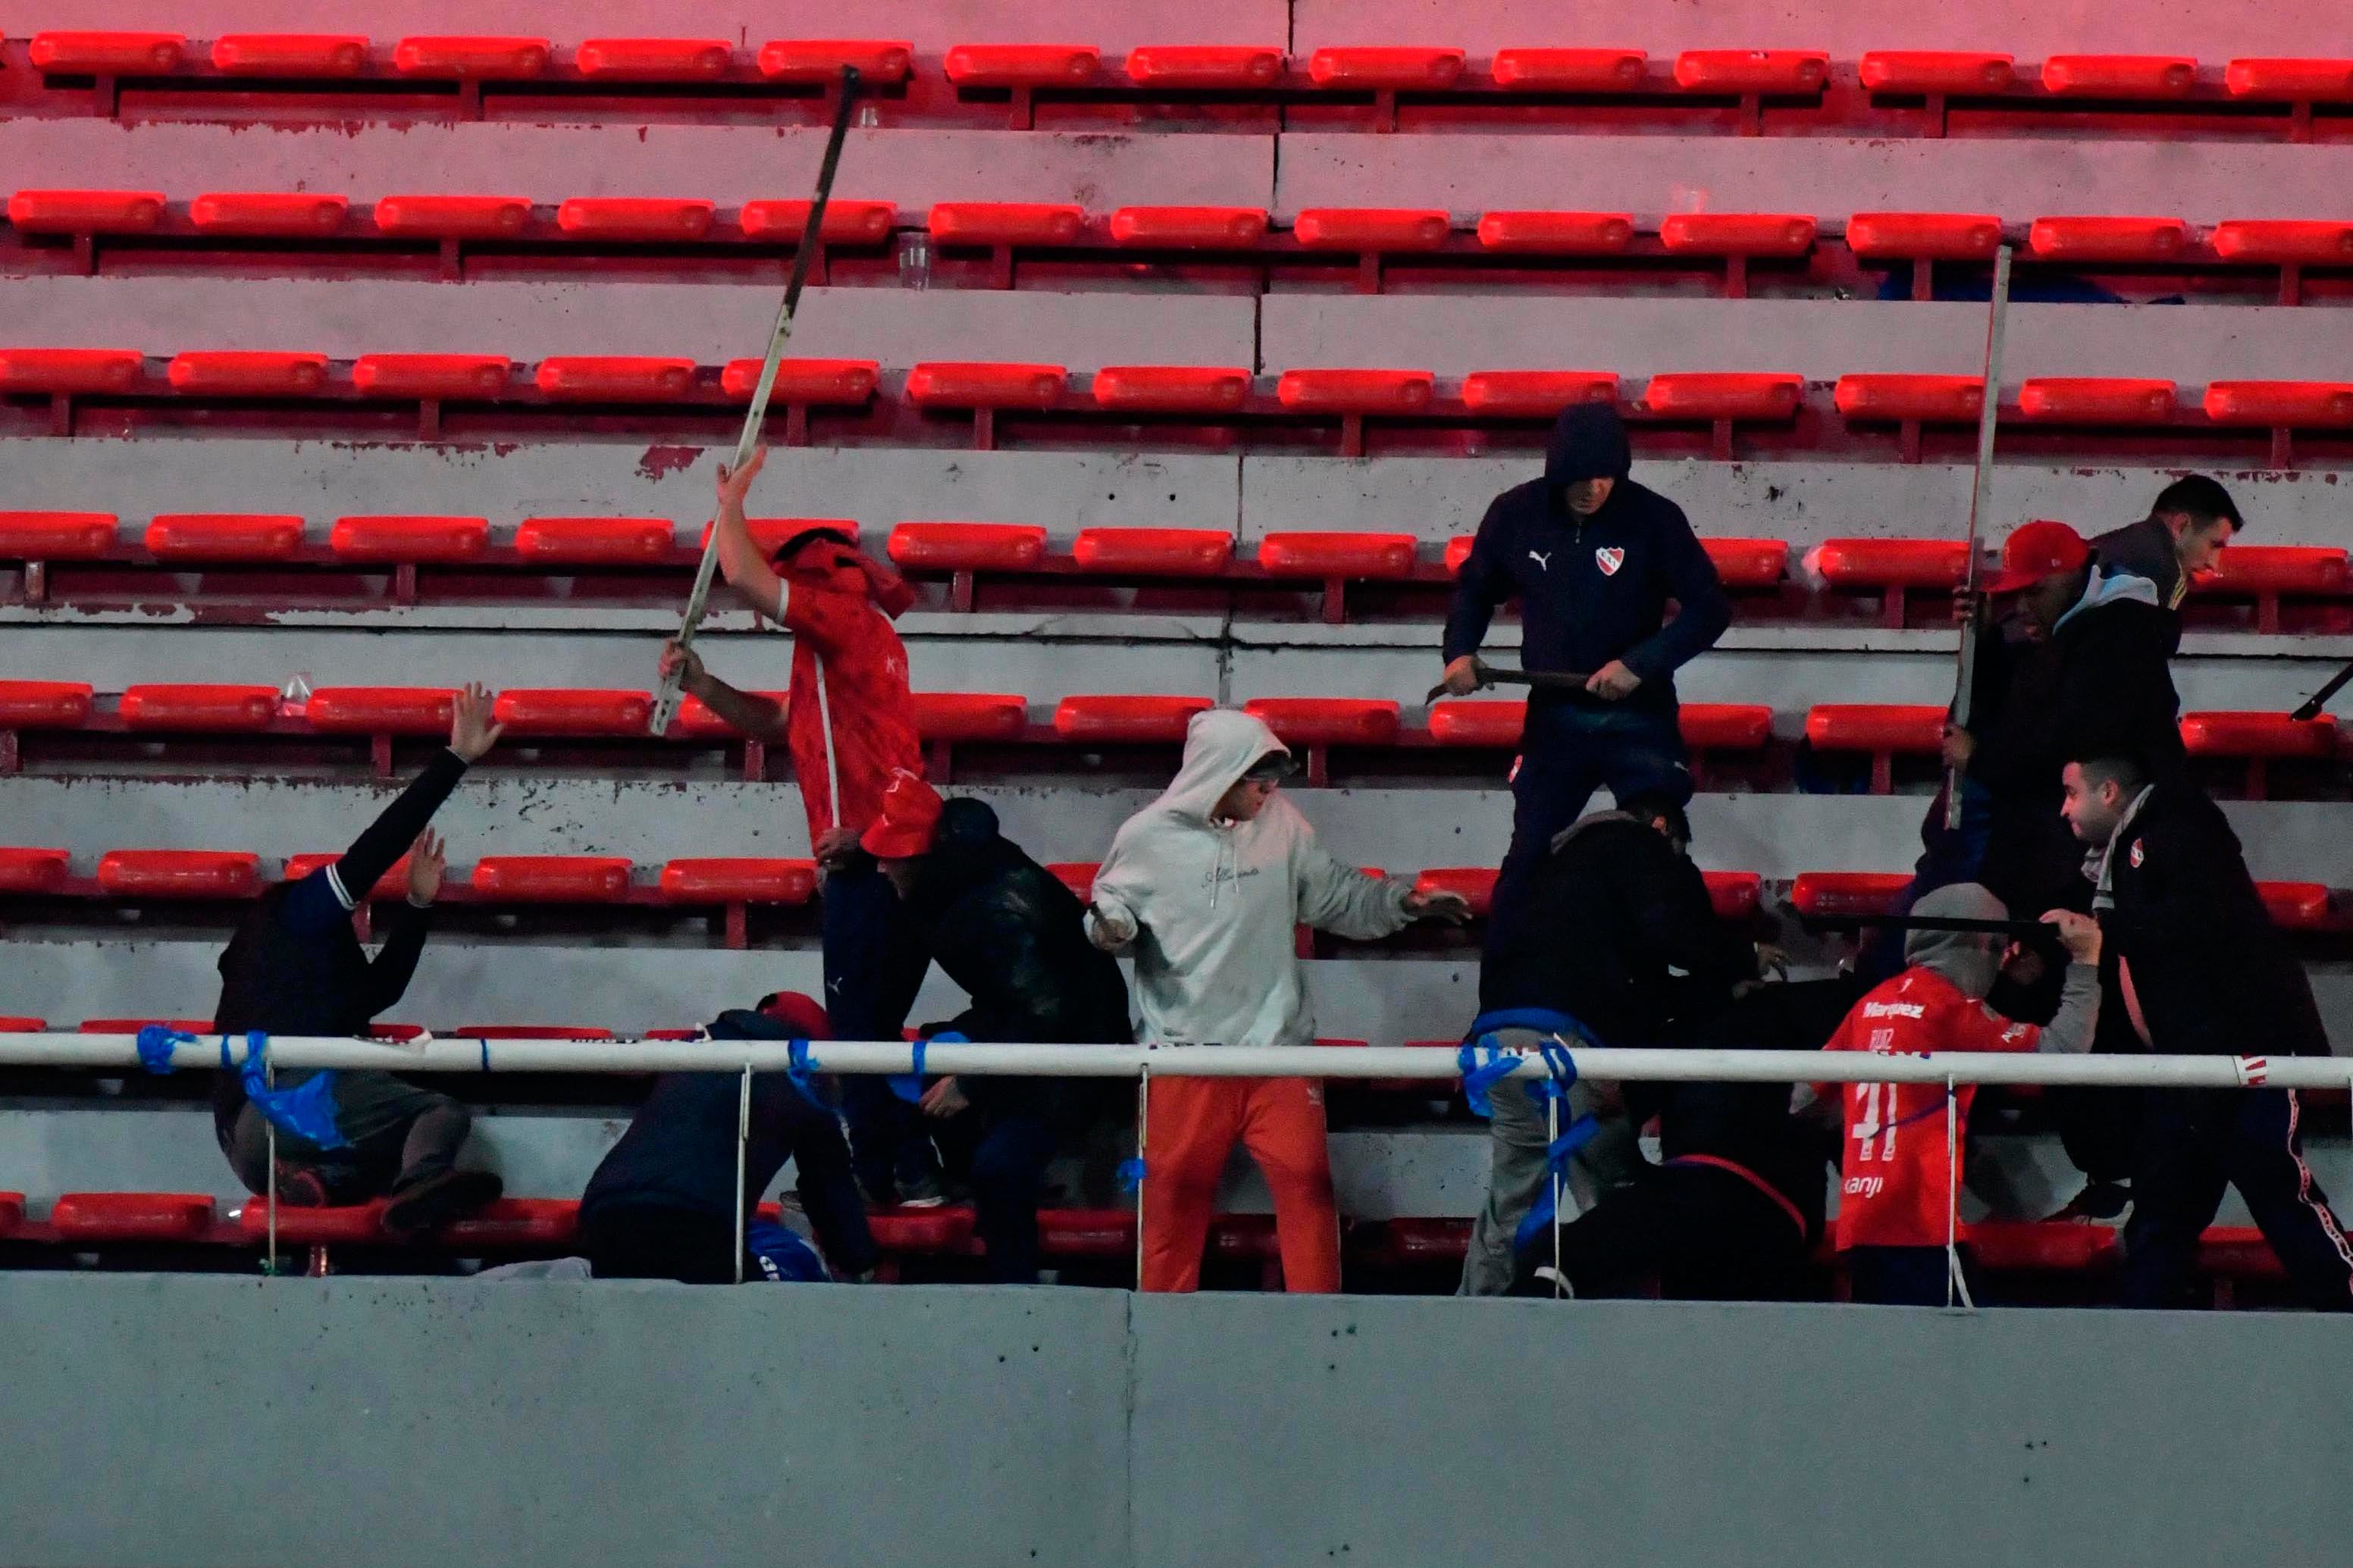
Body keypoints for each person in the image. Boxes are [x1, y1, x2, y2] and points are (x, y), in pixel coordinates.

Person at [1086, 709, 1469, 1293]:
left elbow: (1336, 895)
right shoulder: (1145, 838)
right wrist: (1110, 928)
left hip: (1280, 1053)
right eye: (1257, 780)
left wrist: (1401, 904)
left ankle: (1321, 1337)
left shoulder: (1284, 826)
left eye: (1273, 780)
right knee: (1169, 1211)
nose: (1269, 792)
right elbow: (1109, 907)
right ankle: (1163, 1340)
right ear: (1219, 773)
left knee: (1310, 1197)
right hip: (1184, 1057)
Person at [660, 445, 939, 1205]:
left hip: (873, 861)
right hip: (889, 857)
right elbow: (785, 723)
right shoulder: (840, 647)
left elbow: (745, 573)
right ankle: (898, 1171)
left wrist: (730, 502)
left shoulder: (844, 620)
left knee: (857, 1030)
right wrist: (705, 685)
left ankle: (893, 1173)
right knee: (866, 1027)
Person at [211, 683, 505, 1241]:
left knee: (376, 1164)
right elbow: (373, 850)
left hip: (248, 1144)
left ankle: (318, 1182)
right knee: (440, 1115)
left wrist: (418, 903)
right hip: (280, 1103)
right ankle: (423, 1181)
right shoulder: (295, 911)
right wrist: (456, 759)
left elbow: (381, 989)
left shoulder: (297, 968)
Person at [2061, 755, 2353, 1311]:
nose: (2064, 809)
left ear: (2109, 791)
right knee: (2162, 1214)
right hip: (2186, 1064)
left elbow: (2203, 924)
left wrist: (2109, 929)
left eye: (2072, 793)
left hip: (2244, 1054)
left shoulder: (2176, 830)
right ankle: (2139, 1344)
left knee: (2279, 1198)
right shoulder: (2132, 852)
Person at [1439, 402, 1731, 950]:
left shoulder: (1654, 517)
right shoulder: (1515, 514)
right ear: (1556, 472)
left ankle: (1696, 986)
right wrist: (1459, 652)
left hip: (1639, 713)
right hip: (1554, 714)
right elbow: (1475, 588)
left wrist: (1638, 665)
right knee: (1529, 856)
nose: (1593, 489)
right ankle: (1500, 1004)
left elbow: (1710, 608)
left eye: (1605, 477)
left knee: (1661, 843)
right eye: (1580, 477)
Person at [1459, 793, 1766, 1295]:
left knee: (1513, 1197)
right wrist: (1742, 957)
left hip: (1501, 1038)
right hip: (1569, 1042)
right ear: (1663, 826)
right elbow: (1673, 933)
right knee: (1617, 1196)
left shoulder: (1550, 867)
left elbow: (1635, 986)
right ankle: (1625, 1336)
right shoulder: (1637, 842)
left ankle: (1475, 1321)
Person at [860, 770, 1132, 1284]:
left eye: (890, 855)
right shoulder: (954, 881)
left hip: (1076, 1055)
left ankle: (1013, 1293)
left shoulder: (995, 908)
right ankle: (948, 1183)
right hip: (1025, 1026)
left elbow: (1056, 1016)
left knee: (999, 1167)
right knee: (916, 1065)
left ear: (920, 857)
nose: (880, 867)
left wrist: (974, 1081)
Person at [1819, 884, 2103, 1306]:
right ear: (1981, 945)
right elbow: (2062, 1055)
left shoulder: (1869, 1006)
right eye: (1999, 948)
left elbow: (1805, 1099)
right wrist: (2086, 961)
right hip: (1922, 1227)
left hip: (1861, 1225)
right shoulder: (1951, 1009)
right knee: (1966, 1360)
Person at [1510, 984, 1841, 1303]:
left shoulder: (1688, 1026)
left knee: (1564, 1257)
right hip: (1778, 1212)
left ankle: (1536, 1298)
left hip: (1701, 1192)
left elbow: (1621, 1104)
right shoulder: (1820, 1008)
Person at [578, 991, 876, 1285]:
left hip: (607, 1209)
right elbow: (829, 1187)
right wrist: (860, 1263)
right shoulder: (800, 1073)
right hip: (697, 1218)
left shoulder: (690, 1048)